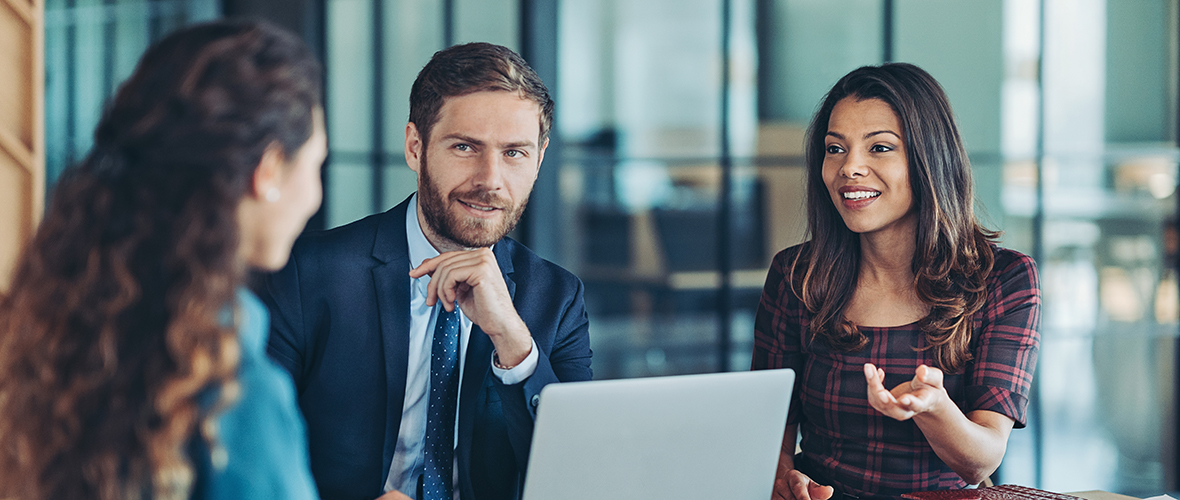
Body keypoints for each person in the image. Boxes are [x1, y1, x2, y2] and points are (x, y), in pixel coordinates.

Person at [0, 20, 326, 500]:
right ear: (269, 170)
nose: (316, 196)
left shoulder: (51, 332)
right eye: (315, 165)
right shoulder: (236, 394)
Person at [259, 42, 593, 500]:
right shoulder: (306, 275)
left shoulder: (556, 297)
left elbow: (577, 474)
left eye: (514, 153)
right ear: (415, 147)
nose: (490, 179)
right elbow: (249, 463)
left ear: (538, 158)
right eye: (465, 147)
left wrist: (513, 341)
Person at [752, 63, 1041, 500]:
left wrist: (933, 408)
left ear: (930, 158)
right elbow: (770, 429)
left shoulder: (1004, 280)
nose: (850, 168)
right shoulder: (796, 277)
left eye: (880, 147)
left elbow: (980, 460)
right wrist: (783, 482)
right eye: (835, 148)